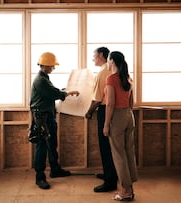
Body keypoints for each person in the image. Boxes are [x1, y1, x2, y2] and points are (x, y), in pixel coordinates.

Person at [30, 52, 80, 190]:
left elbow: (52, 91)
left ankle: (55, 169)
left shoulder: (45, 78)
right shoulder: (40, 80)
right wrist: (68, 93)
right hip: (41, 118)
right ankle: (40, 177)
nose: (53, 68)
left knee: (52, 144)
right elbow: (54, 94)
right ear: (45, 65)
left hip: (48, 116)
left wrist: (62, 91)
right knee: (42, 146)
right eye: (52, 66)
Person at [103, 51, 137, 201]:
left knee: (119, 155)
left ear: (112, 62)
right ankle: (130, 188)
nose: (108, 64)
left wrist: (106, 125)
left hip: (117, 117)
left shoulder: (111, 79)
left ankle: (125, 192)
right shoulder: (127, 78)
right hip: (129, 116)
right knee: (129, 152)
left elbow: (110, 104)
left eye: (108, 61)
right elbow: (131, 102)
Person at [85, 47, 118, 192]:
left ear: (101, 55)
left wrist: (89, 112)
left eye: (94, 55)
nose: (93, 58)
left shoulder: (102, 73)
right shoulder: (113, 69)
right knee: (111, 146)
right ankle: (110, 174)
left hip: (105, 110)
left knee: (105, 146)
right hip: (117, 112)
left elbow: (98, 99)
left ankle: (110, 182)